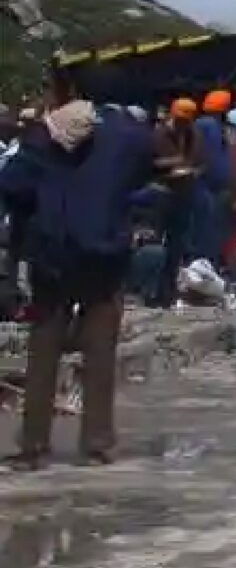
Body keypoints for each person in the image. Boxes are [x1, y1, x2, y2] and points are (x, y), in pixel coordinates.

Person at [2, 101, 167, 468]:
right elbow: (157, 173)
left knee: (43, 350)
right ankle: (97, 444)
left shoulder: (43, 139)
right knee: (101, 349)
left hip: (52, 255)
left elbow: (11, 185)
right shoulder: (129, 137)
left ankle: (34, 446)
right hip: (104, 255)